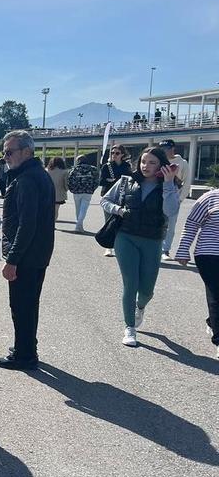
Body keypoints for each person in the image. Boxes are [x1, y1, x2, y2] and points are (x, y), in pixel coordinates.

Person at [101, 147, 180, 347]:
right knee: (131, 283)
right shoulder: (126, 181)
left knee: (147, 289)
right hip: (125, 237)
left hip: (152, 240)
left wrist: (169, 183)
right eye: (144, 161)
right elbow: (105, 200)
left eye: (152, 162)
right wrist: (118, 210)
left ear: (161, 165)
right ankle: (129, 327)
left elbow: (171, 211)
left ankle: (140, 306)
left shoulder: (168, 186)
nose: (146, 166)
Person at [0, 130, 55, 370]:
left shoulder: (27, 179)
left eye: (10, 152)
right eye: (4, 152)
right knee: (28, 304)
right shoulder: (35, 174)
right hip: (36, 253)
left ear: (26, 152)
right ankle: (26, 346)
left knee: (21, 306)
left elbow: (26, 224)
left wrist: (12, 259)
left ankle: (25, 354)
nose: (6, 157)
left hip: (27, 255)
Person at [174, 188, 219, 359]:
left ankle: (212, 321)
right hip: (209, 254)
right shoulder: (211, 197)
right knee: (216, 294)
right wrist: (183, 249)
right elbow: (192, 222)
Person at [157, 139, 190, 260]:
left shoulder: (182, 162)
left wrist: (180, 199)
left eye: (165, 149)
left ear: (172, 149)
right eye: (161, 149)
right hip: (157, 196)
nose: (163, 151)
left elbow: (187, 182)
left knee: (170, 225)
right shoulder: (158, 160)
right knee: (157, 222)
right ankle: (156, 248)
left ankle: (165, 250)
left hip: (173, 197)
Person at [99, 145, 133, 256]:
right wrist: (109, 180)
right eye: (112, 153)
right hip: (108, 196)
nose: (114, 155)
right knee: (108, 221)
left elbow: (130, 180)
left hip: (122, 197)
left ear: (122, 154)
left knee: (121, 223)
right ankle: (108, 247)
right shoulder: (107, 166)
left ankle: (119, 246)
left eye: (117, 153)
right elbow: (101, 181)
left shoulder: (127, 166)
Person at [66, 155, 100, 233]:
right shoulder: (93, 169)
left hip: (77, 191)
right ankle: (79, 225)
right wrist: (92, 189)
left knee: (78, 209)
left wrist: (71, 189)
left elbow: (69, 180)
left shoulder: (74, 169)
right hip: (88, 192)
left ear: (78, 161)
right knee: (84, 209)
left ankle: (79, 225)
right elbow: (97, 181)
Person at [46, 157, 69, 221]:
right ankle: (53, 223)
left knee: (49, 210)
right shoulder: (65, 172)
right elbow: (66, 184)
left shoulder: (47, 171)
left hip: (48, 193)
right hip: (59, 194)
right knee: (56, 210)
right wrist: (66, 189)